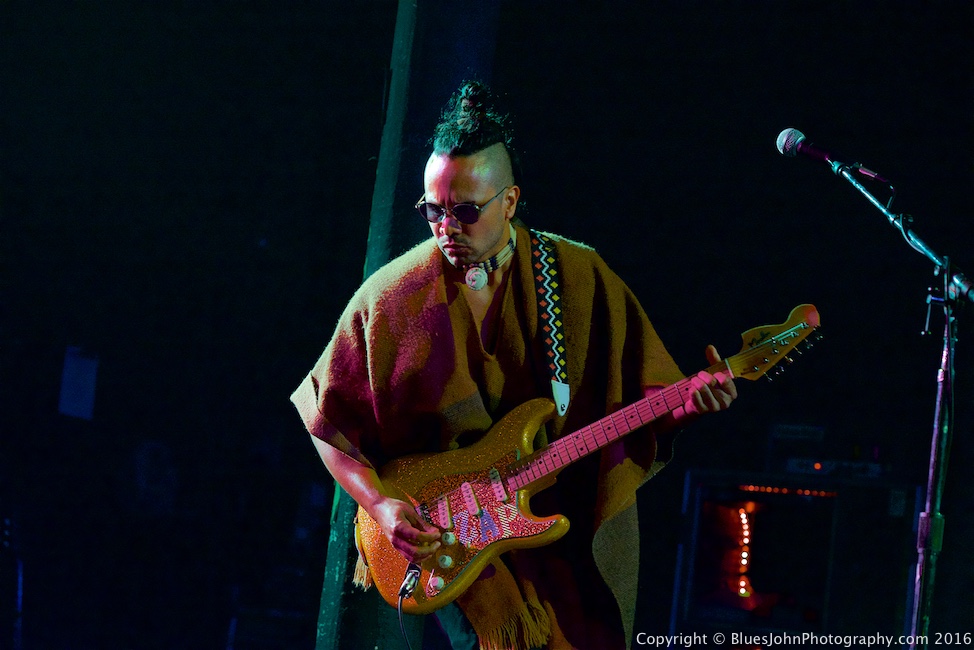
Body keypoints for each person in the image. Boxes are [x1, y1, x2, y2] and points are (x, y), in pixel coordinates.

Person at [290, 80, 737, 650]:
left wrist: (689, 405)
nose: (447, 228)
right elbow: (327, 420)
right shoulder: (390, 296)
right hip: (456, 537)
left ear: (510, 201)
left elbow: (644, 399)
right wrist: (379, 503)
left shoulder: (577, 276)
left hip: (565, 527)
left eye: (467, 211)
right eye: (433, 211)